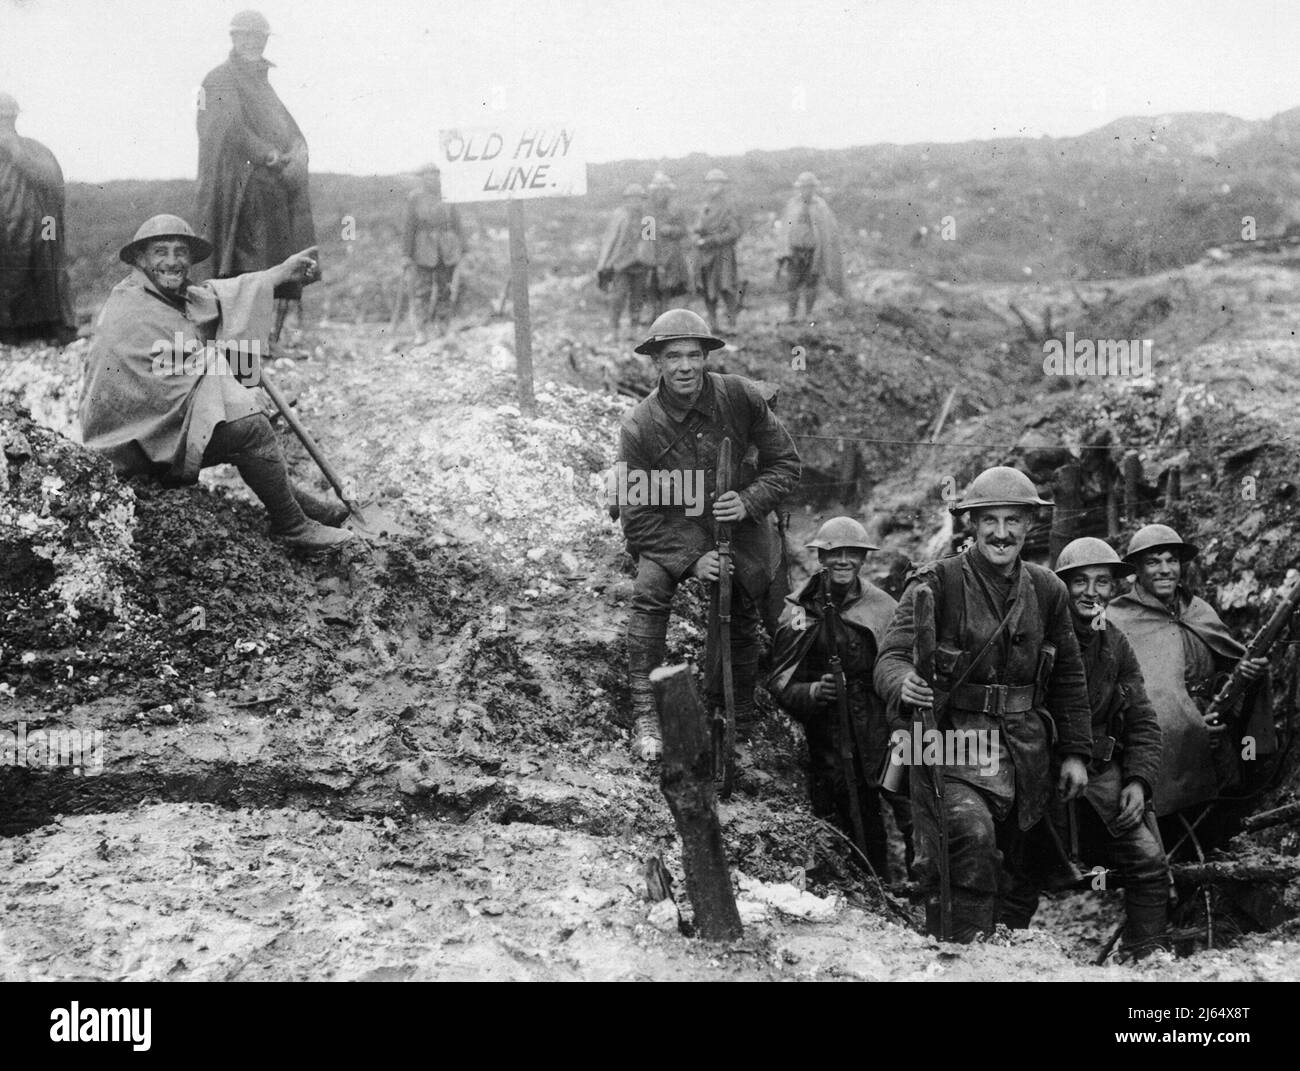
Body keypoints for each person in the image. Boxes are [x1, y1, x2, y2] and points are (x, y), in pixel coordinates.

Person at [873, 466, 1092, 942]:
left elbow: (1070, 676)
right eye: (988, 519)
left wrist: (1075, 751)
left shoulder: (1048, 589)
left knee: (1018, 868)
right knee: (967, 841)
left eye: (1013, 520)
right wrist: (903, 681)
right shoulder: (937, 582)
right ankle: (964, 956)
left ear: (1029, 525)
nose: (1001, 532)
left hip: (1025, 751)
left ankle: (1004, 958)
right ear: (971, 524)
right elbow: (890, 656)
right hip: (950, 744)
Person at [78, 214, 352, 555]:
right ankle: (291, 526)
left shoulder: (170, 297)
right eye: (160, 251)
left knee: (244, 410)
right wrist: (244, 387)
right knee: (250, 427)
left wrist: (279, 273)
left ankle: (299, 503)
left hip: (159, 427)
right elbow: (177, 374)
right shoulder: (131, 309)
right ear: (140, 259)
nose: (172, 261)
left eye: (181, 252)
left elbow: (219, 299)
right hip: (132, 447)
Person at [618, 309, 800, 761]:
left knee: (745, 590)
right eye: (673, 356)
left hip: (734, 518)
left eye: (694, 355)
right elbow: (635, 515)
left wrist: (751, 500)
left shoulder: (739, 397)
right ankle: (646, 714)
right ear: (656, 363)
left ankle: (734, 711)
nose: (685, 366)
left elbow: (786, 465)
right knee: (650, 588)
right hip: (673, 526)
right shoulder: (639, 425)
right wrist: (692, 558)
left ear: (706, 358)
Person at [1000, 537, 1170, 956]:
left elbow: (1143, 718)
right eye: (1080, 582)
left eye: (1102, 582)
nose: (1091, 592)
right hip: (1039, 774)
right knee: (1019, 876)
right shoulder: (1035, 638)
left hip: (1100, 775)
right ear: (1062, 587)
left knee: (1149, 863)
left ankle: (1146, 958)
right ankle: (996, 960)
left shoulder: (1116, 644)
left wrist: (1139, 779)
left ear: (1114, 589)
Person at [1106, 524, 1273, 845]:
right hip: (1161, 752)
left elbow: (1226, 670)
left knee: (1223, 823)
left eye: (1172, 560)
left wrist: (1245, 675)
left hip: (1215, 740)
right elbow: (1126, 693)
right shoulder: (1117, 619)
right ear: (1136, 571)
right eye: (1154, 562)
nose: (1165, 570)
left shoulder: (1198, 610)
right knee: (1171, 839)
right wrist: (1187, 724)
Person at [767, 516, 911, 881]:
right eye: (834, 554)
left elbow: (903, 664)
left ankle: (922, 888)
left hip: (882, 725)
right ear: (821, 559)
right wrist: (815, 691)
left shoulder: (884, 607)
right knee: (851, 814)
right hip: (831, 732)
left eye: (852, 554)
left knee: (908, 803)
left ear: (863, 559)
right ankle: (871, 890)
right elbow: (781, 682)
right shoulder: (800, 612)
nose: (843, 561)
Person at [195, 10, 318, 344]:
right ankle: (239, 341)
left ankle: (263, 341)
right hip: (238, 192)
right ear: (234, 38)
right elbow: (229, 128)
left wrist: (297, 149)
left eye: (258, 36)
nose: (253, 42)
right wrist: (270, 154)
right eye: (245, 35)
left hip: (269, 189)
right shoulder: (220, 78)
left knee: (272, 262)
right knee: (247, 263)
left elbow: (285, 126)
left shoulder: (262, 85)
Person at [0, 92, 75, 344]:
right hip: (6, 235)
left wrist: (15, 151)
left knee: (47, 270)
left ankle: (52, 326)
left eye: (7, 118)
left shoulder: (34, 149)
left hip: (44, 229)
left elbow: (52, 181)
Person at [402, 164, 467, 340]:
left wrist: (463, 248)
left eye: (436, 175)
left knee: (445, 290)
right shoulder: (415, 198)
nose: (432, 178)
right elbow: (409, 227)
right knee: (422, 290)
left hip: (447, 249)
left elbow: (457, 223)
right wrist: (406, 255)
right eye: (428, 175)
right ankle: (421, 330)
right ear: (422, 178)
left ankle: (442, 327)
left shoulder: (448, 196)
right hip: (423, 249)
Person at [777, 172, 845, 322]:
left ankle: (808, 314)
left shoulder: (821, 207)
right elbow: (784, 230)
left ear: (814, 189)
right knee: (792, 283)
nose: (806, 191)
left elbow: (828, 231)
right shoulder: (792, 205)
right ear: (799, 188)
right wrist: (783, 252)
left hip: (813, 252)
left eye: (810, 187)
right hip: (794, 251)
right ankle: (791, 314)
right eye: (803, 187)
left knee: (811, 282)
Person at [596, 183, 654, 337]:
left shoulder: (648, 219)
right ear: (626, 200)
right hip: (621, 264)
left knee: (637, 297)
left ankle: (633, 330)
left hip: (641, 264)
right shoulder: (619, 216)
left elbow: (649, 242)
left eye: (639, 199)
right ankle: (614, 330)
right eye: (632, 199)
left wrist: (648, 259)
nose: (635, 202)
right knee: (618, 297)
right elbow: (611, 240)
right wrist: (606, 263)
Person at [692, 169, 743, 334]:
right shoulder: (704, 206)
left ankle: (732, 325)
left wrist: (714, 240)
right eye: (711, 183)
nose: (714, 187)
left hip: (723, 253)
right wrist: (698, 236)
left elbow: (734, 232)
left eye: (718, 183)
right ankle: (713, 325)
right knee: (708, 290)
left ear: (724, 186)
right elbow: (697, 228)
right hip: (705, 254)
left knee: (726, 288)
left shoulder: (729, 206)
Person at [645, 172, 690, 320]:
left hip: (671, 252)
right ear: (653, 192)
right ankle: (653, 314)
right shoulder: (649, 212)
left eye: (664, 191)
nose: (661, 194)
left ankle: (665, 315)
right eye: (658, 191)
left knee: (668, 286)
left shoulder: (675, 210)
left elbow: (684, 230)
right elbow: (646, 235)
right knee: (652, 284)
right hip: (653, 251)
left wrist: (671, 230)